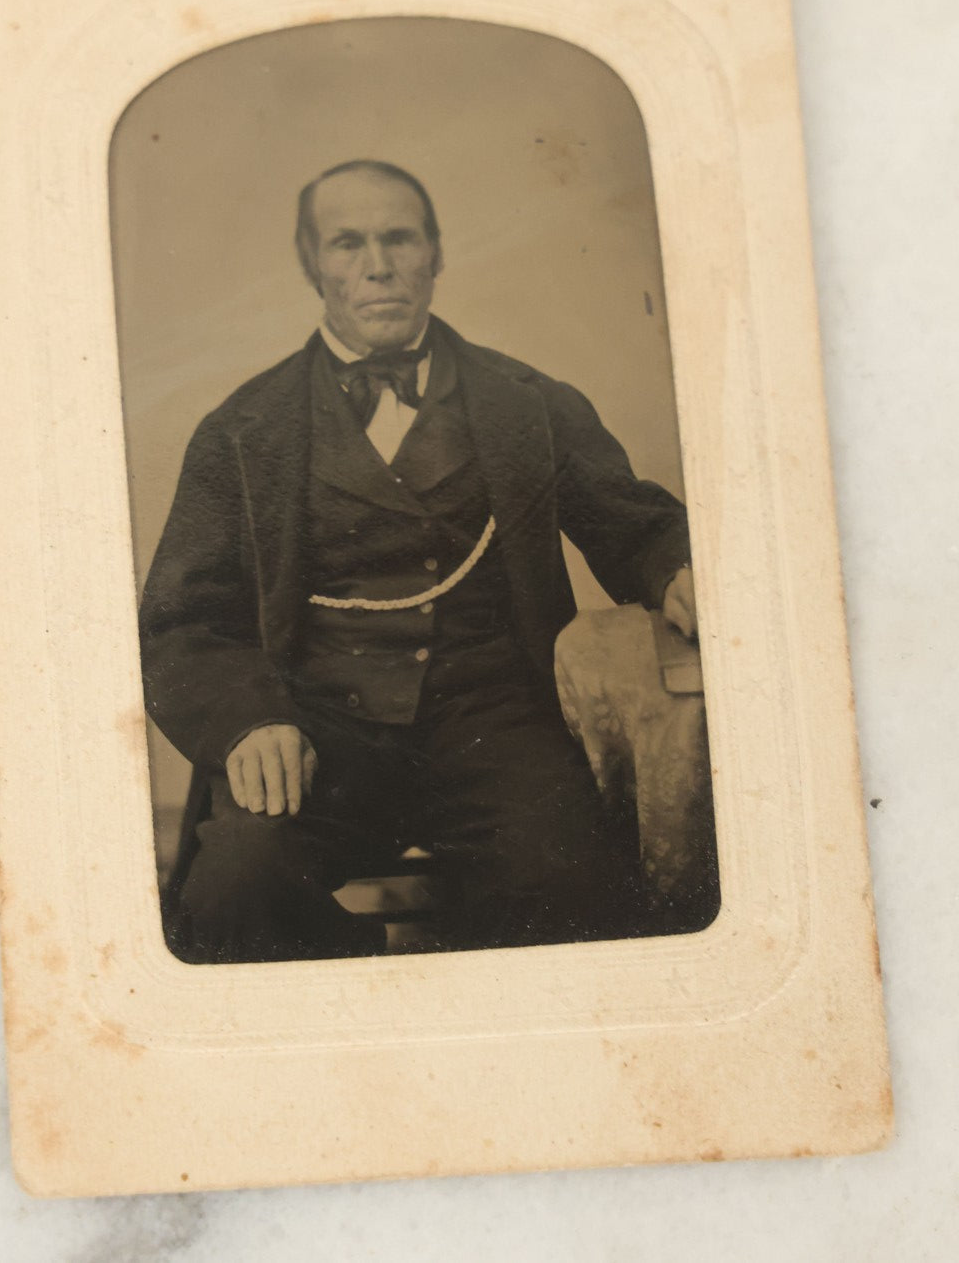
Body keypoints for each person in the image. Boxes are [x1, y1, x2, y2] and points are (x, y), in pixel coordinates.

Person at [139, 158, 697, 961]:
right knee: (236, 888)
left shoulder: (526, 402)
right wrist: (248, 719)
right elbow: (181, 621)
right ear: (312, 265)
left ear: (435, 253)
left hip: (497, 726)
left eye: (400, 238)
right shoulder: (242, 430)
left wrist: (678, 573)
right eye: (347, 243)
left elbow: (631, 521)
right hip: (317, 728)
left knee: (580, 888)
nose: (378, 265)